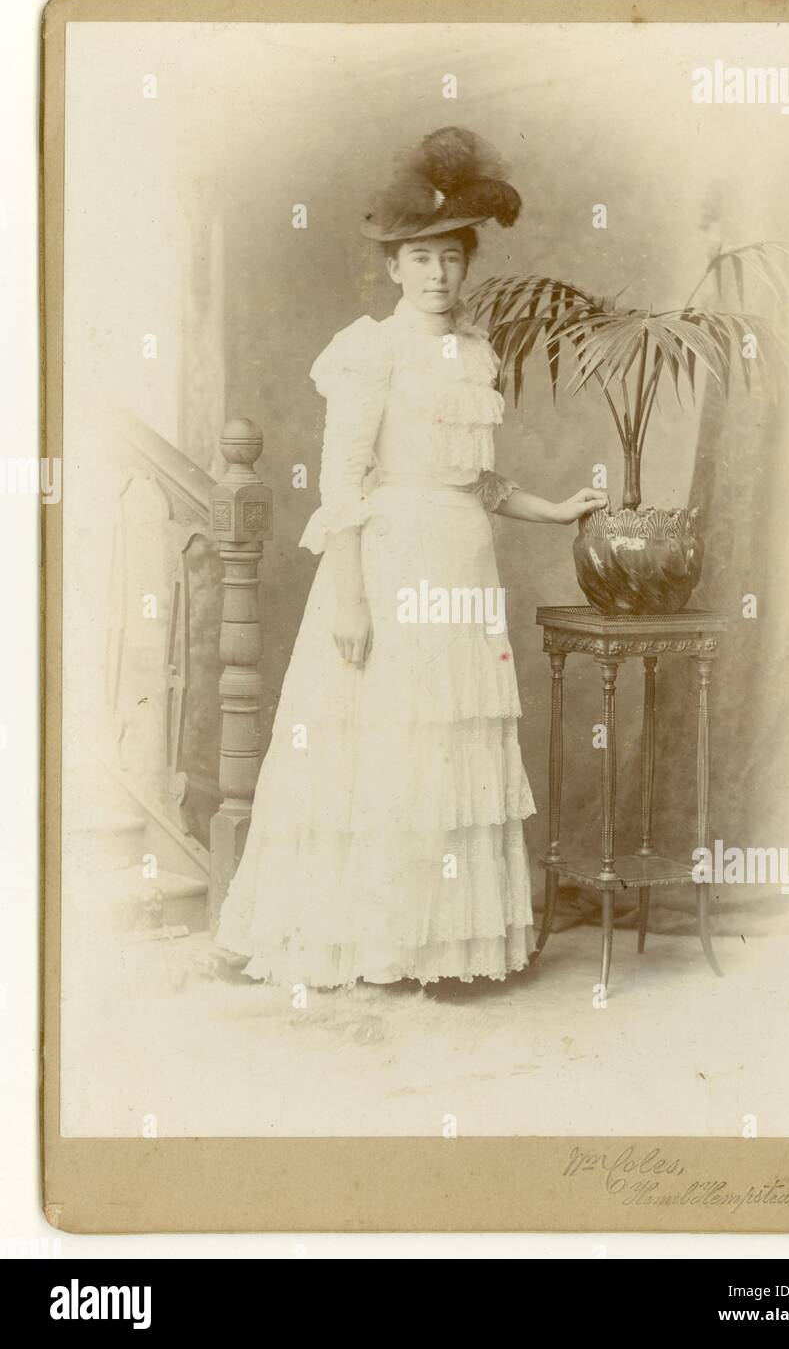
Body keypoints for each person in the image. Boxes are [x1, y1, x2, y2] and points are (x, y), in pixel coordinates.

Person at [213, 126, 606, 989]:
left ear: (466, 266)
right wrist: (348, 595)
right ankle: (369, 942)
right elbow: (344, 484)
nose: (436, 274)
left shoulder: (472, 353)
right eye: (419, 258)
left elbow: (478, 482)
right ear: (393, 267)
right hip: (385, 566)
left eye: (450, 259)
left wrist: (556, 508)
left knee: (445, 747)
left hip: (462, 568)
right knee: (382, 748)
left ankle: (440, 948)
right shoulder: (368, 351)